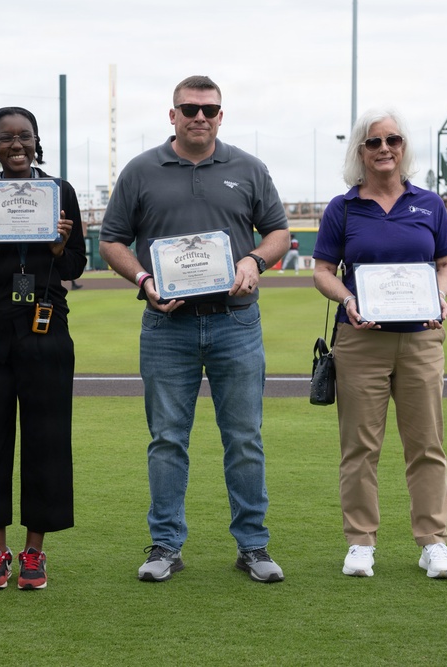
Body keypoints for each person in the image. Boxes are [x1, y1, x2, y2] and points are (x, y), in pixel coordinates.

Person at [99, 75, 290, 584]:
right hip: (167, 325)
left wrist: (253, 260)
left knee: (245, 438)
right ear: (173, 114)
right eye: (189, 108)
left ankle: (253, 546)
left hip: (236, 322)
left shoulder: (249, 168)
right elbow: (112, 240)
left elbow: (279, 232)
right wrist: (142, 279)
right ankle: (165, 545)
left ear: (221, 115)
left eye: (209, 109)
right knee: (166, 439)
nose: (199, 117)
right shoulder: (141, 171)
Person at [312, 108, 447, 579]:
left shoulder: (429, 204)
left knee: (427, 446)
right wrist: (348, 297)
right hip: (361, 341)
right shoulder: (343, 208)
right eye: (374, 142)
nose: (384, 149)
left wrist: (440, 292)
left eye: (392, 140)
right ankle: (360, 542)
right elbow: (321, 272)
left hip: (421, 340)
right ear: (361, 151)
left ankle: (433, 543)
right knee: (359, 447)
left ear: (403, 147)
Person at [0, 107, 86, 591]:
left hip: (45, 328)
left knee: (47, 440)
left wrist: (55, 250)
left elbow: (77, 263)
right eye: (5, 138)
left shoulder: (59, 193)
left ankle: (34, 552)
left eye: (24, 136)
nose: (16, 145)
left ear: (36, 141)